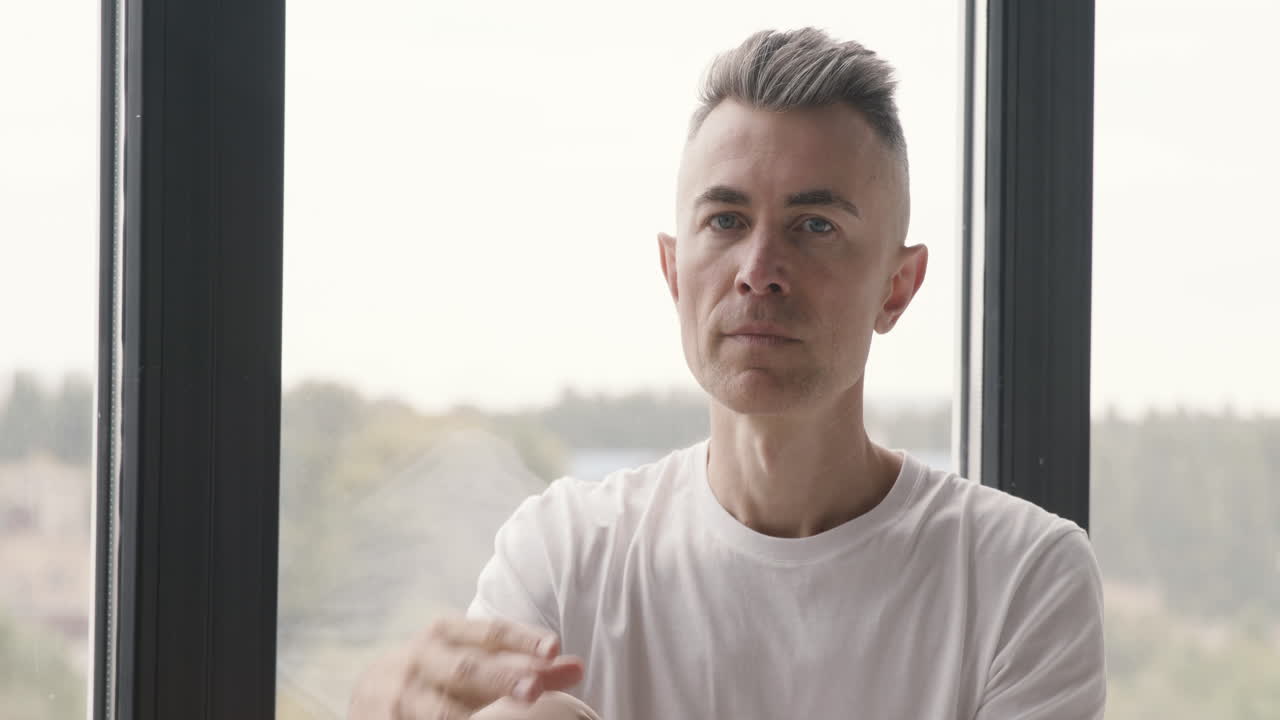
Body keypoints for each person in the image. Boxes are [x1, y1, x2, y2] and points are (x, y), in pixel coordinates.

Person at [349, 26, 1105, 720]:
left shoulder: (1022, 579)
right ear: (675, 271)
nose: (759, 271)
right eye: (726, 221)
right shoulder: (564, 552)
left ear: (896, 287)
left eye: (815, 226)